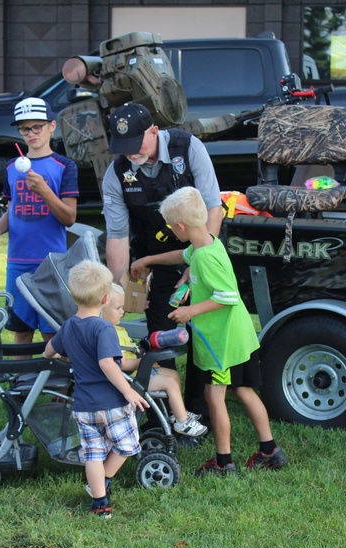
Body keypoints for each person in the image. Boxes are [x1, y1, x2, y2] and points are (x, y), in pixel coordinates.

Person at [101, 102, 223, 413]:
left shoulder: (188, 147)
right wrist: (121, 291)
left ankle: (201, 408)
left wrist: (198, 263)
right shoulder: (116, 173)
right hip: (157, 258)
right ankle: (164, 411)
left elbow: (214, 209)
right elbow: (116, 238)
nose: (130, 153)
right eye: (123, 147)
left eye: (135, 144)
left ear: (154, 131)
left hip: (203, 247)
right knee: (160, 330)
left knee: (204, 326)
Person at [159, 187, 288, 476]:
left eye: (170, 226)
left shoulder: (204, 257)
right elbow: (187, 260)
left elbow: (226, 296)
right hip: (239, 336)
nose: (170, 230)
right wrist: (153, 267)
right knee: (244, 389)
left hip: (223, 343)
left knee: (214, 397)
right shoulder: (207, 244)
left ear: (180, 226)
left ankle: (223, 462)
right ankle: (270, 451)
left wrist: (190, 310)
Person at [43, 260, 149, 519]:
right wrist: (128, 391)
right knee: (127, 445)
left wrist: (63, 357)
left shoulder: (69, 326)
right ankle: (104, 479)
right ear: (104, 298)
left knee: (92, 453)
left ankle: (100, 502)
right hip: (111, 403)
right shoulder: (104, 328)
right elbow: (107, 364)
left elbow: (48, 352)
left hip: (83, 406)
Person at [0, 97, 78, 345]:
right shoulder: (12, 166)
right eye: (25, 129)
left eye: (38, 126)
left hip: (51, 263)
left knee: (52, 330)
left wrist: (45, 191)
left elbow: (69, 218)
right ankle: (22, 382)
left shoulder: (64, 166)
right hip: (17, 262)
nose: (32, 133)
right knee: (21, 329)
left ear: (52, 126)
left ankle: (54, 384)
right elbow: (14, 206)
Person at [102, 283, 207, 438]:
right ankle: (182, 422)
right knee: (169, 383)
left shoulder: (115, 328)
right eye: (118, 308)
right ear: (102, 309)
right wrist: (143, 362)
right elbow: (122, 364)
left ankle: (176, 412)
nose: (123, 312)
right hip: (130, 379)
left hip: (137, 372)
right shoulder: (108, 333)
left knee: (172, 374)